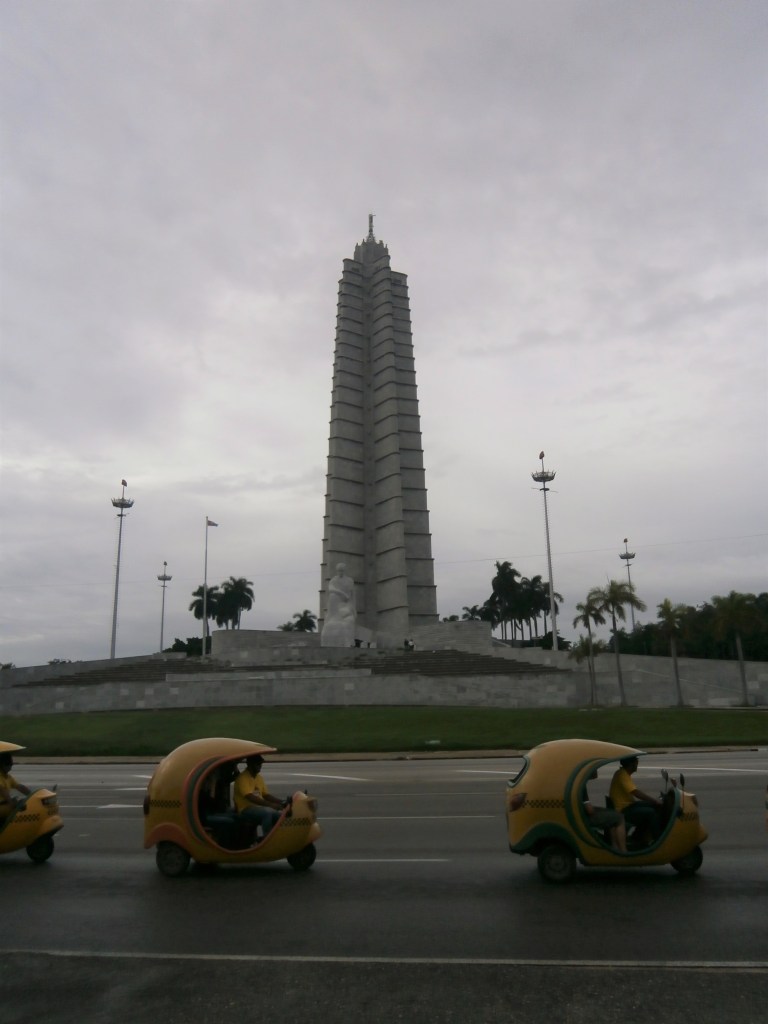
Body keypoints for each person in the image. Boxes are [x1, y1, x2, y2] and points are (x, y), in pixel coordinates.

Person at [609, 755, 663, 846]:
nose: (637, 765)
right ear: (631, 764)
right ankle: (657, 840)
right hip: (623, 810)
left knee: (653, 807)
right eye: (636, 762)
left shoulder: (622, 773)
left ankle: (639, 837)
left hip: (628, 806)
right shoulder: (622, 775)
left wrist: (654, 802)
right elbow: (635, 792)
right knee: (651, 813)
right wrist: (655, 801)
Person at [233, 754, 285, 842]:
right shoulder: (243, 778)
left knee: (279, 815)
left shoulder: (259, 778)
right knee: (267, 813)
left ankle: (278, 839)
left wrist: (281, 802)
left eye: (260, 764)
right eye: (258, 764)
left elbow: (266, 795)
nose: (260, 766)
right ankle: (267, 840)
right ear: (250, 764)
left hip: (258, 808)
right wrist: (270, 805)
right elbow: (250, 797)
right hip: (245, 809)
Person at [583, 769, 626, 852]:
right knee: (619, 817)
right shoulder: (581, 785)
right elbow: (590, 810)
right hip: (585, 816)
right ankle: (624, 851)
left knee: (611, 814)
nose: (596, 771)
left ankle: (615, 847)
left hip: (582, 812)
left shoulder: (580, 782)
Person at [321, 563, 357, 647]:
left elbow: (353, 595)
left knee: (349, 618)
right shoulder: (334, 580)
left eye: (341, 571)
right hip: (337, 605)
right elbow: (331, 589)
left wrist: (354, 609)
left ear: (344, 571)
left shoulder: (349, 580)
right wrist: (342, 593)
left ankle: (347, 641)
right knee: (333, 596)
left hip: (346, 604)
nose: (340, 572)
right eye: (338, 571)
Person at [0, 751, 31, 821]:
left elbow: (19, 787)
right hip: (1, 806)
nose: (10, 766)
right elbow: (3, 791)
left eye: (11, 764)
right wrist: (12, 803)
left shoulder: (8, 777)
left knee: (23, 804)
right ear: (2, 765)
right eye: (8, 764)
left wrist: (32, 794)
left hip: (4, 805)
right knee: (21, 808)